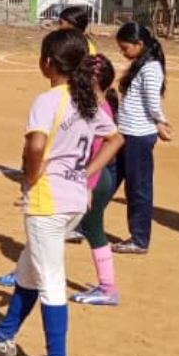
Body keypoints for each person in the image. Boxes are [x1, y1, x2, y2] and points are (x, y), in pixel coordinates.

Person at [0, 29, 121, 356]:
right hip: (73, 202)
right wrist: (86, 171)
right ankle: (3, 336)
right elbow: (115, 138)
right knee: (29, 269)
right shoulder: (86, 100)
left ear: (47, 63)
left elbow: (36, 145)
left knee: (50, 279)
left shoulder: (49, 99)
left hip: (48, 201)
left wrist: (33, 174)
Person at [107, 21, 173, 254]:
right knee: (110, 178)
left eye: (125, 48)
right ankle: (86, 222)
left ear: (139, 44)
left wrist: (160, 122)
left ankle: (139, 239)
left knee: (138, 188)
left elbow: (152, 101)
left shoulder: (151, 68)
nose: (123, 53)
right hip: (125, 133)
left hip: (138, 135)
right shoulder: (140, 65)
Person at [70, 54, 123, 305]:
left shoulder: (98, 109)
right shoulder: (97, 104)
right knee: (92, 229)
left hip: (94, 181)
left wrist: (87, 186)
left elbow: (96, 150)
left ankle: (108, 288)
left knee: (52, 226)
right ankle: (107, 286)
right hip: (95, 180)